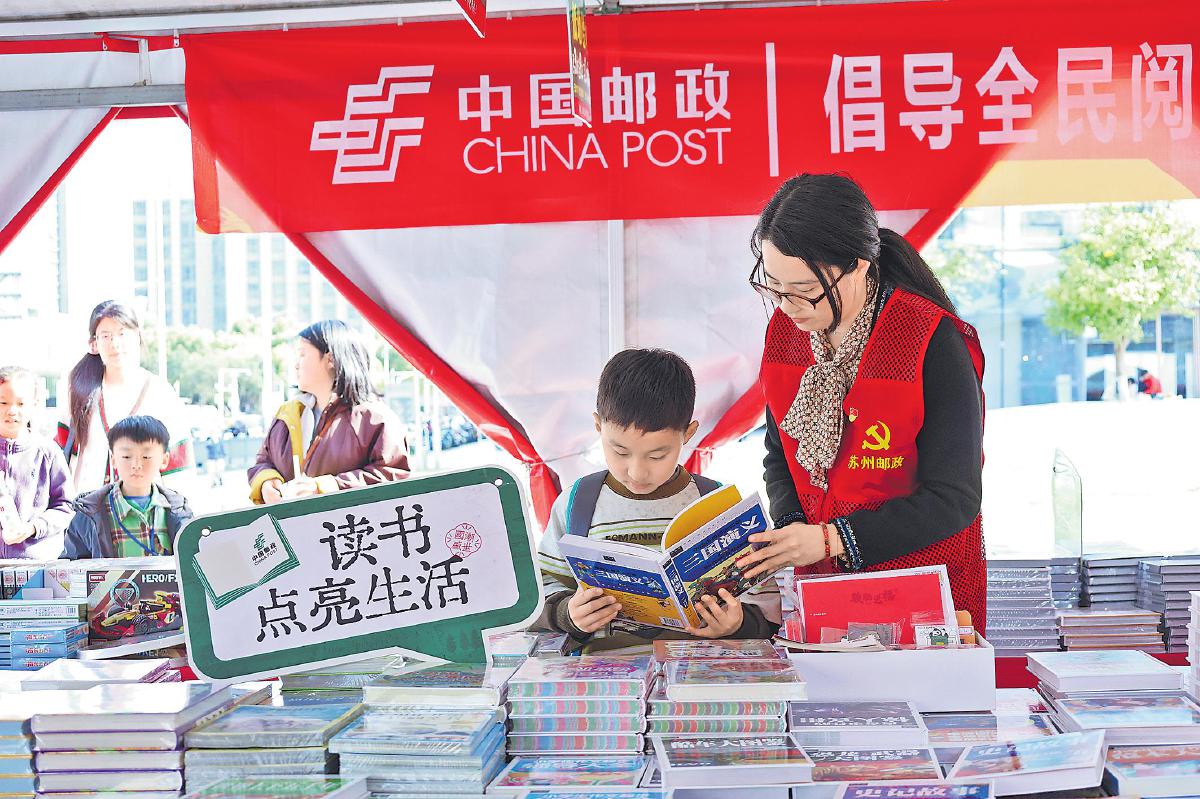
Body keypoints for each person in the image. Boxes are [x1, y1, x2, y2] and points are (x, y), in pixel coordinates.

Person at [736, 174, 987, 632]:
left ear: (856, 267)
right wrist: (792, 529)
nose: (787, 306)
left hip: (922, 588)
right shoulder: (787, 333)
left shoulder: (929, 339)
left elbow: (954, 498)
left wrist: (833, 539)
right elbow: (780, 452)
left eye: (804, 290)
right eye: (773, 286)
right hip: (823, 588)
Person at [535, 348, 781, 653]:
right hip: (607, 674)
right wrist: (567, 614)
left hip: (698, 671)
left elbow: (768, 609)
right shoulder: (577, 504)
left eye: (657, 455)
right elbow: (541, 590)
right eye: (620, 451)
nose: (637, 472)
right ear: (598, 427)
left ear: (688, 434)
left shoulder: (718, 506)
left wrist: (738, 624)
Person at [248, 320, 409, 504]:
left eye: (302, 354)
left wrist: (328, 486)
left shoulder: (375, 419)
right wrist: (266, 482)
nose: (296, 365)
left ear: (330, 359)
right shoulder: (287, 414)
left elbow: (393, 475)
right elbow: (263, 461)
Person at [57, 301, 193, 495]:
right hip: (87, 507)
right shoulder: (79, 391)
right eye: (106, 336)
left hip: (144, 507)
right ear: (94, 344)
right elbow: (61, 455)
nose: (115, 343)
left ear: (137, 336)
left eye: (122, 334)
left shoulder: (160, 393)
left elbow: (178, 465)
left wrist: (179, 508)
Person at [62, 415, 193, 559]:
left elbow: (193, 561)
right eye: (126, 456)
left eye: (146, 457)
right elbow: (71, 566)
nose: (136, 465)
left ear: (164, 459)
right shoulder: (89, 514)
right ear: (113, 459)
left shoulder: (178, 510)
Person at [0, 366, 74, 558]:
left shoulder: (47, 452)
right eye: (3, 402)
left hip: (37, 564)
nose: (12, 411)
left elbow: (66, 505)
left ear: (34, 404)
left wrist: (34, 527)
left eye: (21, 404)